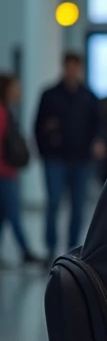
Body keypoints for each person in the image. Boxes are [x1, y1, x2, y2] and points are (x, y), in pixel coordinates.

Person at [35, 52, 103, 263]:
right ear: (64, 67)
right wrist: (44, 151)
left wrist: (99, 141)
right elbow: (38, 126)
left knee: (77, 205)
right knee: (54, 203)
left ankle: (73, 250)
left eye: (75, 67)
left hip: (81, 160)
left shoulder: (88, 96)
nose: (72, 71)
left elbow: (99, 124)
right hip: (55, 158)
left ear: (79, 68)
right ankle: (50, 248)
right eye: (69, 66)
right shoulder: (50, 95)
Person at [0, 74, 36, 265]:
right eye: (15, 87)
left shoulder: (8, 111)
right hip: (4, 173)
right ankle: (26, 252)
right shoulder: (2, 113)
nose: (18, 91)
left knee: (4, 214)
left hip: (7, 172)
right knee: (13, 213)